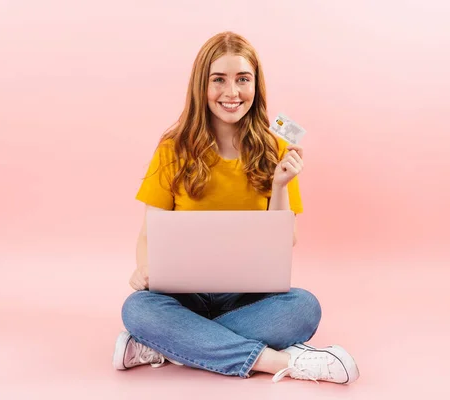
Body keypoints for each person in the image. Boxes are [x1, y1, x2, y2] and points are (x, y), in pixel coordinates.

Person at [113, 31, 360, 385]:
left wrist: (280, 185)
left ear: (256, 86)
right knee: (137, 308)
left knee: (304, 307)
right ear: (202, 86)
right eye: (219, 80)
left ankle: (167, 345)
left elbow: (284, 239)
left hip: (248, 297)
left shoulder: (277, 148)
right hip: (185, 296)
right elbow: (149, 232)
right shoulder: (173, 148)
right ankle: (279, 361)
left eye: (243, 79)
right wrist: (144, 268)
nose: (232, 93)